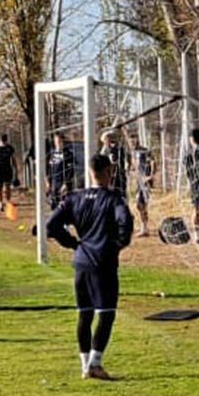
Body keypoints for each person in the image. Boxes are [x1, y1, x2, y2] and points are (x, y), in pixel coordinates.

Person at [46, 153, 134, 380]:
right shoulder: (114, 199)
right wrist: (118, 244)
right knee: (106, 314)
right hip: (102, 263)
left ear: (90, 172)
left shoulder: (75, 198)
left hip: (81, 262)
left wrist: (73, 243)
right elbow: (125, 221)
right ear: (108, 172)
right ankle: (95, 364)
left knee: (84, 315)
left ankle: (85, 365)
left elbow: (50, 225)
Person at [131, 136, 155, 237]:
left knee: (142, 204)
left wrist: (151, 176)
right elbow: (133, 166)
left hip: (144, 181)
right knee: (139, 205)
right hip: (138, 181)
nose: (133, 143)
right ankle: (144, 227)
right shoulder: (132, 153)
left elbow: (153, 162)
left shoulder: (144, 151)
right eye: (131, 141)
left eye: (134, 140)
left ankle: (144, 228)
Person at [47, 133, 76, 210]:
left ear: (63, 141)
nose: (57, 143)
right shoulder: (52, 154)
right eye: (56, 141)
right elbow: (49, 169)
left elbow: (70, 170)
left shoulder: (68, 154)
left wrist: (66, 183)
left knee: (64, 205)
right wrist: (48, 182)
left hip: (63, 183)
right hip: (54, 183)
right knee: (54, 205)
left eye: (59, 141)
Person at [100, 130, 130, 199]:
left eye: (106, 140)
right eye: (105, 140)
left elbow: (126, 157)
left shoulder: (118, 148)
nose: (106, 142)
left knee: (120, 191)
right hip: (109, 175)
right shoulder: (104, 150)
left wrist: (127, 164)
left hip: (119, 173)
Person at [0, 134, 17, 208]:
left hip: (7, 169)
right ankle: (0, 202)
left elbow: (13, 160)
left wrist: (15, 170)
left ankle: (8, 201)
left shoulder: (9, 148)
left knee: (7, 187)